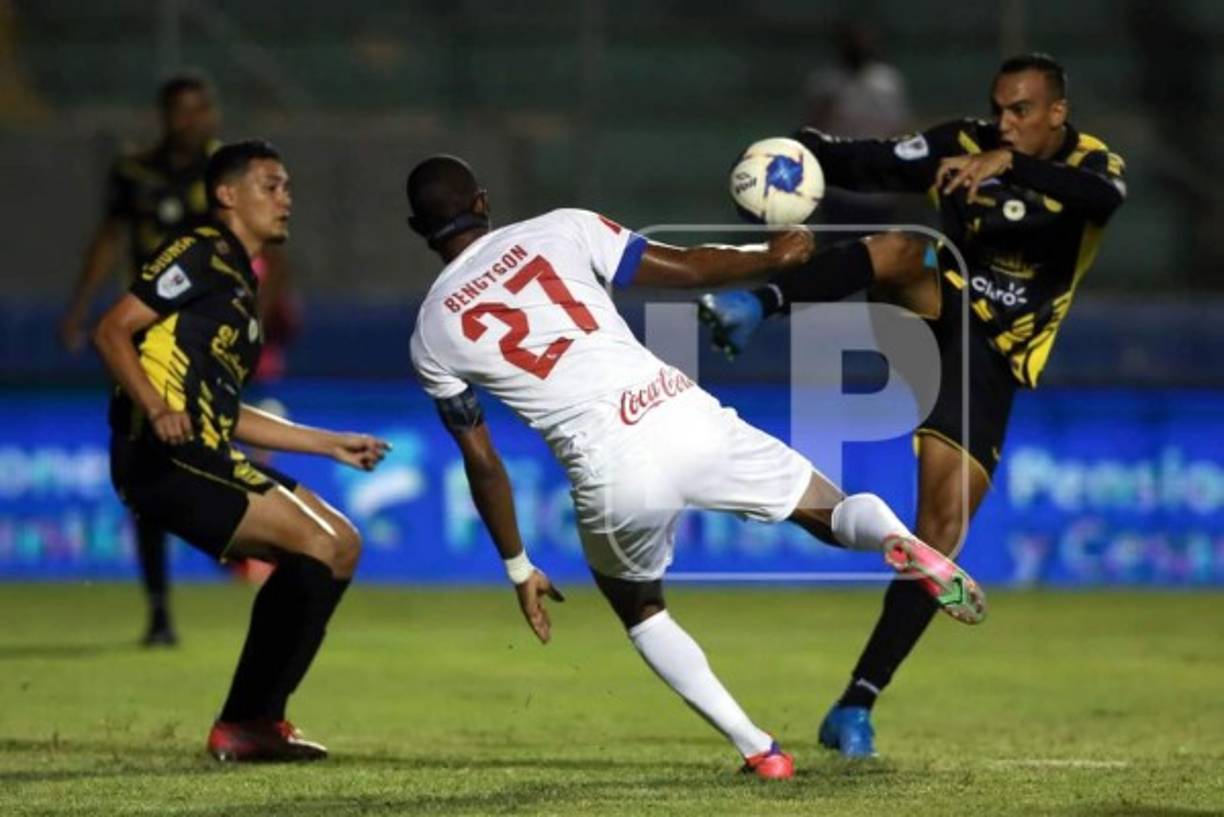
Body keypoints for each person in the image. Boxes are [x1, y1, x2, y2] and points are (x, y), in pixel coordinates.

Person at [406, 155, 986, 779]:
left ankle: (760, 749)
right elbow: (681, 268)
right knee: (829, 508)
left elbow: (483, 461)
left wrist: (519, 566)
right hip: (678, 409)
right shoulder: (561, 227)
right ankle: (893, 537)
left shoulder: (432, 332)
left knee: (640, 608)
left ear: (420, 228)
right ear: (484, 201)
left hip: (609, 464)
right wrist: (772, 257)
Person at [698, 53, 1126, 758]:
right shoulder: (960, 143)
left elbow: (1099, 202)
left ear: (1057, 113)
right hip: (932, 310)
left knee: (941, 534)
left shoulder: (1093, 164)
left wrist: (1006, 165)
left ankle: (856, 702)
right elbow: (869, 162)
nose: (1005, 123)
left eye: (1021, 111)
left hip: (992, 361)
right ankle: (756, 304)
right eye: (999, 108)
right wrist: (805, 150)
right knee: (906, 248)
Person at [93, 140, 389, 761]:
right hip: (163, 456)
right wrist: (155, 408)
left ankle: (254, 720)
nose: (287, 200)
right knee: (320, 544)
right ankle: (249, 721)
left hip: (204, 451)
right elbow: (112, 329)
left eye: (287, 187)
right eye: (271, 186)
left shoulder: (240, 294)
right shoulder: (199, 251)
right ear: (227, 195)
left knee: (341, 544)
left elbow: (225, 413)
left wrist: (325, 444)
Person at [60, 73, 221, 646]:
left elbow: (263, 251)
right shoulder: (134, 174)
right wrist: (79, 311)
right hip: (147, 335)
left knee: (213, 445)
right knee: (151, 456)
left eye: (201, 109)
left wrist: (263, 313)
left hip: (209, 331)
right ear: (165, 115)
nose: (193, 120)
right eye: (183, 111)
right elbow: (108, 240)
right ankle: (159, 606)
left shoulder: (224, 170)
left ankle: (247, 553)